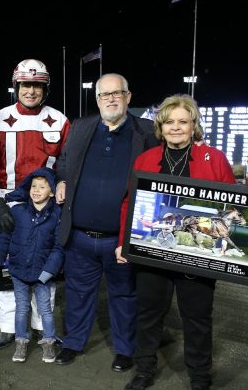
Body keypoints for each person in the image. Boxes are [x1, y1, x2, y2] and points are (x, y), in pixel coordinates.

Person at [116, 93, 235, 390]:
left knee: (197, 319)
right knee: (149, 316)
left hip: (197, 258)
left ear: (193, 124)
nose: (176, 127)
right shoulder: (145, 160)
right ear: (160, 125)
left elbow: (233, 204)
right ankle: (144, 370)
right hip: (154, 252)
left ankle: (199, 381)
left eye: (183, 121)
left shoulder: (215, 159)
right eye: (169, 122)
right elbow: (130, 202)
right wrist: (124, 242)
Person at [54, 73, 172, 371]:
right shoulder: (80, 128)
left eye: (117, 93)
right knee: (78, 295)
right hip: (79, 236)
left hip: (121, 239)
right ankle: (73, 343)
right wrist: (62, 180)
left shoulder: (148, 132)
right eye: (105, 94)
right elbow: (64, 161)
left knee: (124, 296)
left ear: (128, 97)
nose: (111, 98)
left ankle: (124, 349)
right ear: (97, 100)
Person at [0, 59, 70, 349]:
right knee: (8, 266)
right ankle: (8, 327)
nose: (31, 91)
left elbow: (67, 165)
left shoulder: (61, 120)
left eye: (37, 86)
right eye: (25, 85)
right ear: (17, 86)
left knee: (44, 266)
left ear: (45, 88)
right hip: (11, 204)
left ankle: (43, 327)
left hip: (47, 207)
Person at [0, 168, 64, 363]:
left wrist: (49, 271)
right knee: (21, 308)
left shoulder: (57, 215)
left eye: (42, 187)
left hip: (42, 273)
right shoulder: (17, 211)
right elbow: (3, 237)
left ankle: (48, 342)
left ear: (53, 191)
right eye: (33, 186)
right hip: (18, 270)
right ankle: (21, 342)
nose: (36, 190)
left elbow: (59, 247)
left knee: (45, 310)